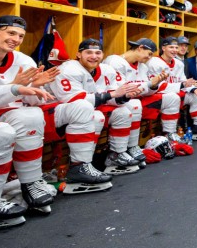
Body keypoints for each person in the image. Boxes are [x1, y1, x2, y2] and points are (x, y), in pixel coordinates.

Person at [0, 15, 60, 215]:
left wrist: (36, 87)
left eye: (21, 35)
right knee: (3, 131)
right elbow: (15, 92)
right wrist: (14, 87)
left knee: (30, 115)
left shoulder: (23, 60)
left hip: (5, 115)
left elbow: (30, 99)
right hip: (0, 119)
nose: (16, 39)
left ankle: (31, 183)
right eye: (10, 32)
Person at [49, 38, 141, 178]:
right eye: (89, 52)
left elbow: (112, 96)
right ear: (79, 54)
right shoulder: (68, 69)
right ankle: (80, 165)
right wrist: (112, 94)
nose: (94, 56)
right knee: (94, 115)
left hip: (85, 108)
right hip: (55, 110)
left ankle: (116, 155)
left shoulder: (106, 70)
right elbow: (73, 100)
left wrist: (125, 96)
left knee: (123, 111)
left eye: (98, 52)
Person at [146, 37, 197, 140]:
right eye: (171, 47)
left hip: (174, 92)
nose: (174, 50)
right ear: (163, 48)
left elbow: (183, 81)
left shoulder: (178, 63)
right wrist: (182, 86)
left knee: (196, 95)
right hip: (157, 95)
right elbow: (157, 87)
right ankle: (169, 132)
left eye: (176, 47)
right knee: (173, 97)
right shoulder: (154, 62)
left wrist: (193, 89)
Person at [103, 39, 174, 136]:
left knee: (172, 97)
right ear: (140, 48)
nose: (149, 58)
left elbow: (147, 91)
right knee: (135, 104)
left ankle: (170, 134)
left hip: (136, 98)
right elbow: (122, 91)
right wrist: (148, 84)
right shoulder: (115, 61)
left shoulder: (142, 67)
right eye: (149, 54)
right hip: (114, 100)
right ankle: (131, 145)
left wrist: (154, 84)